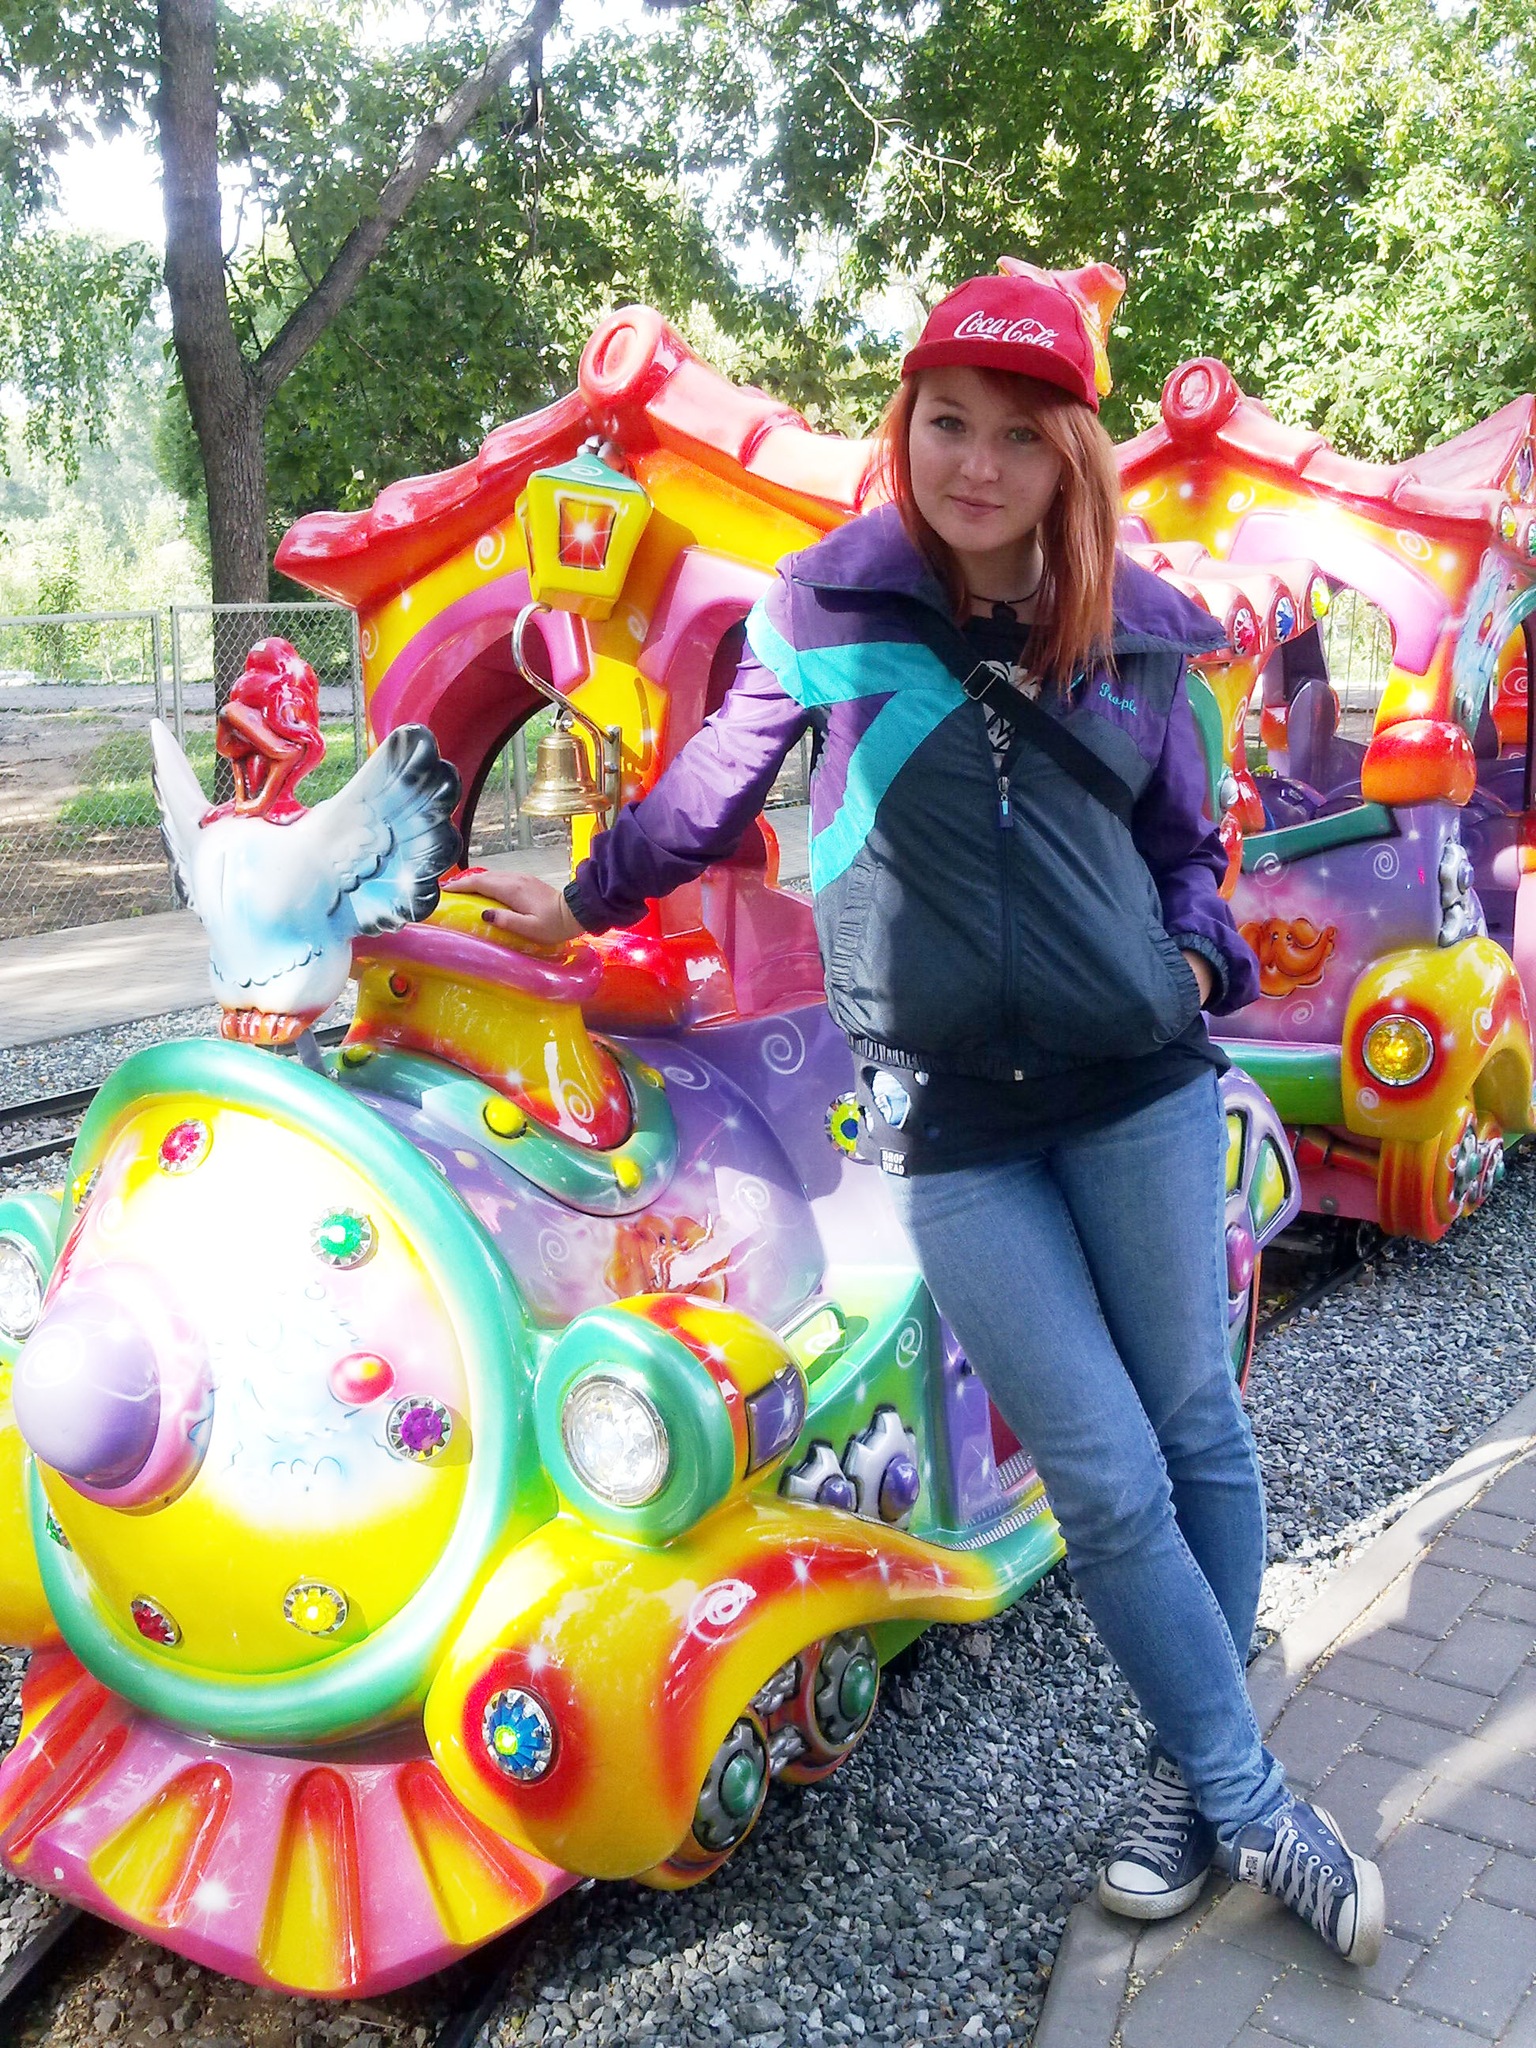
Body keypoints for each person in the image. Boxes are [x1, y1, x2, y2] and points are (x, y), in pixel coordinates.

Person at [447, 270, 1385, 1965]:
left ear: (1069, 455)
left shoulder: (1143, 633)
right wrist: (580, 902)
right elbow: (708, 792)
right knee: (1104, 1476)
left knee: (1194, 1425)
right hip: (955, 1124)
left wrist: (1191, 958)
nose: (976, 464)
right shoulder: (826, 608)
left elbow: (1187, 848)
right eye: (948, 423)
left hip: (1139, 1094)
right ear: (908, 427)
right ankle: (1251, 1799)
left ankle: (1191, 1780)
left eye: (1017, 435)